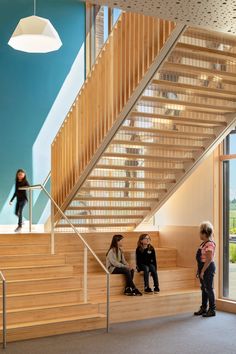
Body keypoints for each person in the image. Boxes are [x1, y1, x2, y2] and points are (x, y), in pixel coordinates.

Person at [194, 221, 216, 317]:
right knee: (204, 288)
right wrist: (198, 270)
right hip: (202, 267)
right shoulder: (203, 244)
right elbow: (200, 259)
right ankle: (203, 308)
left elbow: (209, 259)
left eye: (200, 232)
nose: (199, 234)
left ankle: (212, 310)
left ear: (204, 233)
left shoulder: (210, 244)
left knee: (209, 289)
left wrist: (202, 271)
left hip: (208, 268)